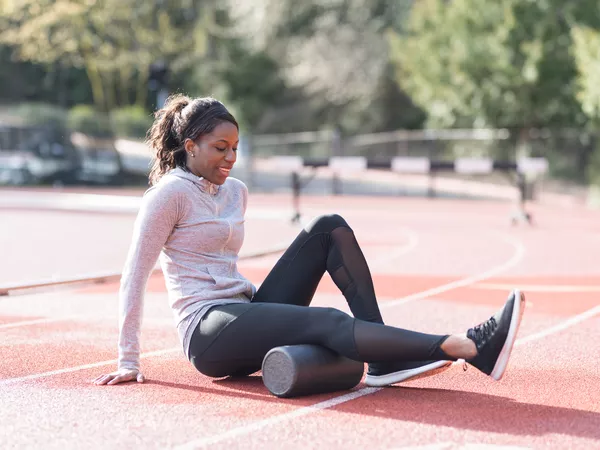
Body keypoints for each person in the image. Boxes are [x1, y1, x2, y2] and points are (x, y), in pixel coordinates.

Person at [94, 95, 526, 388]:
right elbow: (134, 275)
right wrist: (128, 359)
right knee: (326, 320)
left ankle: (383, 360)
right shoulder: (168, 195)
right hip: (207, 332)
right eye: (220, 148)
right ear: (190, 146)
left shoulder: (235, 191)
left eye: (235, 148)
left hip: (246, 308)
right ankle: (464, 346)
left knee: (328, 224)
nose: (230, 158)